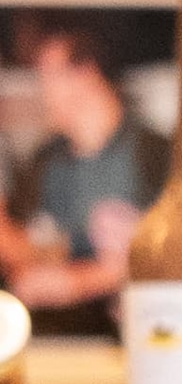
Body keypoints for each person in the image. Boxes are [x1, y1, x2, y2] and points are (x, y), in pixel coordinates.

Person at [0, 25, 141, 312]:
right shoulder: (45, 160)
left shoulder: (152, 154)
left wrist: (78, 282)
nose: (42, 91)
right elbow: (27, 242)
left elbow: (170, 253)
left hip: (124, 328)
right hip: (54, 331)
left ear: (85, 73)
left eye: (49, 77)